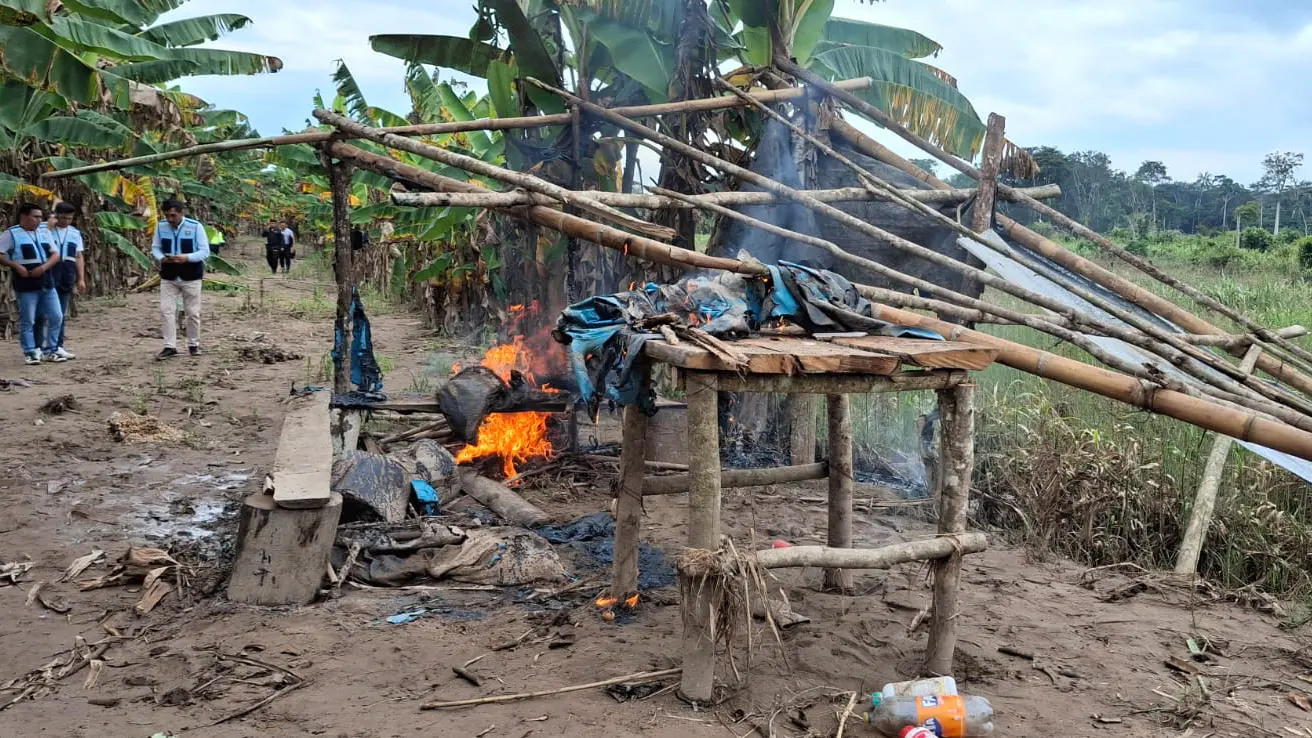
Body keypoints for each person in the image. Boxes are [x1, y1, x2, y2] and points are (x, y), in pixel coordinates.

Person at [0, 203, 64, 365]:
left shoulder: (43, 232)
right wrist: (16, 266)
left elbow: (55, 254)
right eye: (35, 216)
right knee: (28, 319)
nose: (39, 220)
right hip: (25, 282)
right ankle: (30, 352)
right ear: (24, 216)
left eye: (40, 217)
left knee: (56, 316)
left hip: (46, 280)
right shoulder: (11, 234)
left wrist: (43, 268)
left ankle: (51, 349)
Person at [150, 199, 209, 360]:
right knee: (166, 311)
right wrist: (161, 257)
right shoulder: (161, 227)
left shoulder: (195, 227)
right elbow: (155, 247)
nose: (170, 219)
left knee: (192, 312)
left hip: (191, 276)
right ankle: (170, 346)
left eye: (173, 215)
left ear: (181, 213)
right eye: (167, 215)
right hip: (169, 275)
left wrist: (187, 257)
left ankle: (193, 344)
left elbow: (204, 251)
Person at [40, 202, 85, 360]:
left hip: (67, 271)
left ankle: (58, 346)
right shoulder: (43, 229)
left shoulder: (74, 233)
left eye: (69, 218)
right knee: (47, 312)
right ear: (56, 215)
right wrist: (49, 229)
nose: (66, 221)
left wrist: (81, 279)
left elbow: (79, 256)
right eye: (63, 218)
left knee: (61, 312)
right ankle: (43, 346)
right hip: (49, 269)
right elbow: (39, 243)